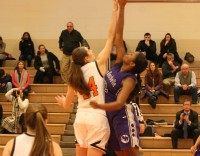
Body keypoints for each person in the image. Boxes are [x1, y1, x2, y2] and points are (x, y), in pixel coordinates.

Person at [55, 0, 119, 156]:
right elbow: (111, 36)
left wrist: (63, 101)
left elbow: (66, 105)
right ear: (86, 58)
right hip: (96, 118)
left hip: (81, 118)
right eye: (88, 50)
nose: (90, 49)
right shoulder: (97, 65)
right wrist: (115, 10)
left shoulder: (73, 76)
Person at [90, 1, 148, 155]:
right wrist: (121, 8)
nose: (128, 53)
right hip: (111, 116)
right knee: (118, 152)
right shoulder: (118, 64)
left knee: (132, 152)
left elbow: (119, 103)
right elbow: (118, 35)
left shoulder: (129, 79)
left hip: (122, 115)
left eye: (131, 54)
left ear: (132, 63)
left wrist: (99, 106)